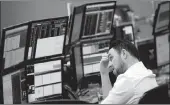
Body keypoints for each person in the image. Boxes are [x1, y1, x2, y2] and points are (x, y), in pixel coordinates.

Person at [100, 39, 158, 104]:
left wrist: (103, 73)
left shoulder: (127, 79)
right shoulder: (147, 73)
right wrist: (104, 73)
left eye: (111, 58)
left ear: (124, 54)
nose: (110, 64)